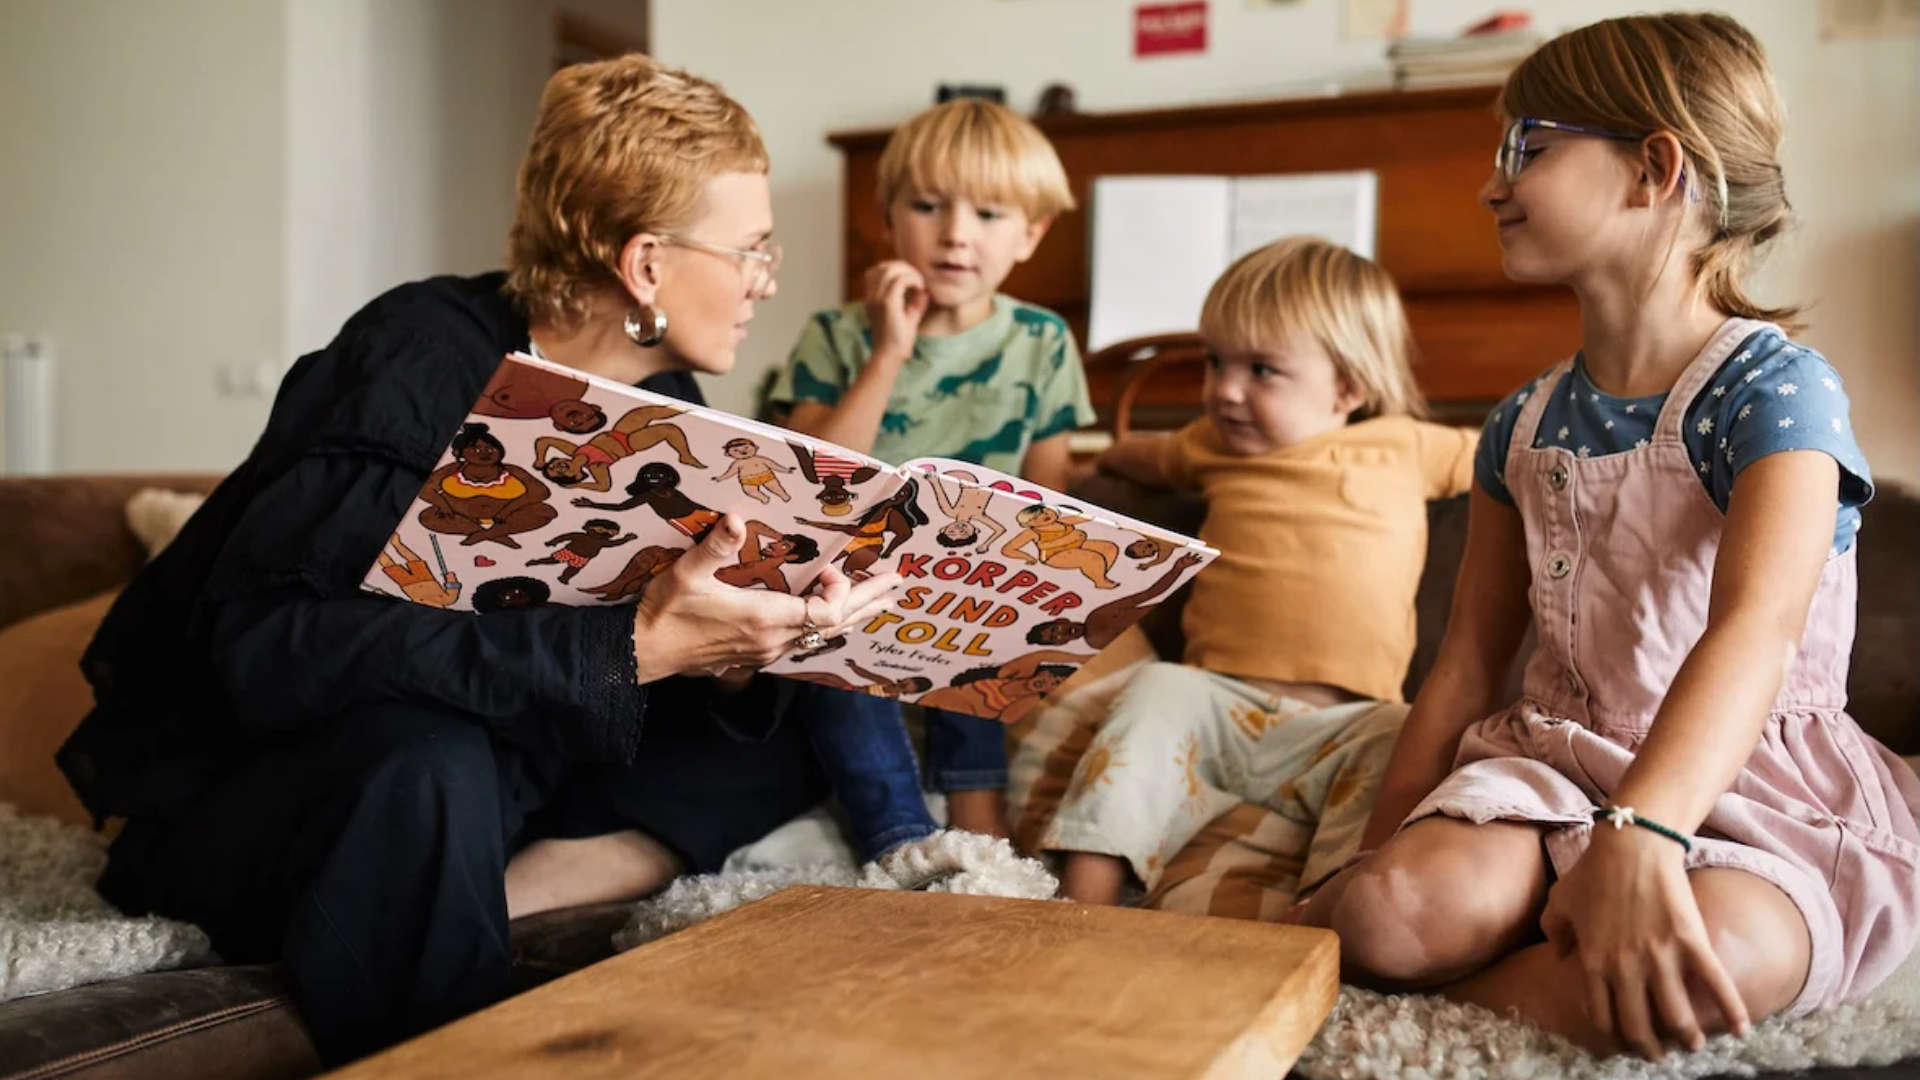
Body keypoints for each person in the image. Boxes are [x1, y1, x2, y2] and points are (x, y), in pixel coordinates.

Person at [58, 55, 897, 1066]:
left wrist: (735, 644)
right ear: (645, 265)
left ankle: (523, 881)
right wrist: (631, 649)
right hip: (286, 782)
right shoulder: (417, 354)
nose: (767, 279)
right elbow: (277, 651)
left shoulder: (670, 402)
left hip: (512, 768)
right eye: (752, 250)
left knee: (794, 720)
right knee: (429, 759)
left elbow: (623, 658)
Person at [1295, 14, 1920, 1061]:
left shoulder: (1778, 390)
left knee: (1718, 965)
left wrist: (1645, 832)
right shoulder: (1520, 423)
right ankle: (1479, 963)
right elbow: (1465, 665)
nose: (1491, 186)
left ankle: (1438, 1003)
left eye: (1526, 149)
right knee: (1391, 915)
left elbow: (1757, 633)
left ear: (1655, 168)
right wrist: (1364, 868)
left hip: (1750, 787)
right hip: (1557, 765)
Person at [1041, 238, 1477, 906]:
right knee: (1155, 690)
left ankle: (1330, 912)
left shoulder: (1406, 446)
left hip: (1344, 722)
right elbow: (1144, 456)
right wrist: (1091, 466)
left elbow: (1512, 457)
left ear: (1349, 386)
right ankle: (1081, 905)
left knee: (1405, 736)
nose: (1225, 390)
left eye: (1262, 370)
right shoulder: (1210, 444)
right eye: (1215, 362)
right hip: (1214, 704)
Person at [765, 97, 1094, 855]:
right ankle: (901, 838)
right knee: (828, 644)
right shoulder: (835, 335)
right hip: (845, 576)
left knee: (988, 622)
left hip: (973, 583)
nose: (955, 234)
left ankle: (980, 828)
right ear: (887, 217)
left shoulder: (1043, 341)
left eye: (988, 214)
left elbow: (1051, 501)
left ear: (1031, 234)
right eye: (927, 206)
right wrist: (890, 350)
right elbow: (813, 480)